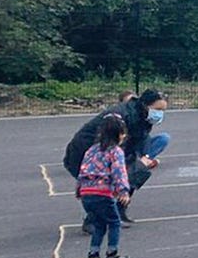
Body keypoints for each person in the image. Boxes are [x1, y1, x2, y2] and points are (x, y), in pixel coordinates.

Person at [62, 88, 170, 228]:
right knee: (105, 184)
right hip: (85, 154)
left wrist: (140, 160)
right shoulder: (120, 116)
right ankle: (93, 220)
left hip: (111, 150)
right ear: (145, 104)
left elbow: (135, 142)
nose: (160, 114)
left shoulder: (142, 117)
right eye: (158, 109)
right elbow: (104, 146)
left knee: (136, 172)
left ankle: (118, 211)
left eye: (163, 110)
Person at [76, 114, 133, 258]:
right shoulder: (115, 152)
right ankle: (112, 254)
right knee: (114, 222)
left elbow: (82, 170)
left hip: (87, 192)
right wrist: (123, 191)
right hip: (102, 192)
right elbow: (119, 172)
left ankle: (93, 256)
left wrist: (79, 189)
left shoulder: (91, 150)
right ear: (118, 134)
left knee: (99, 224)